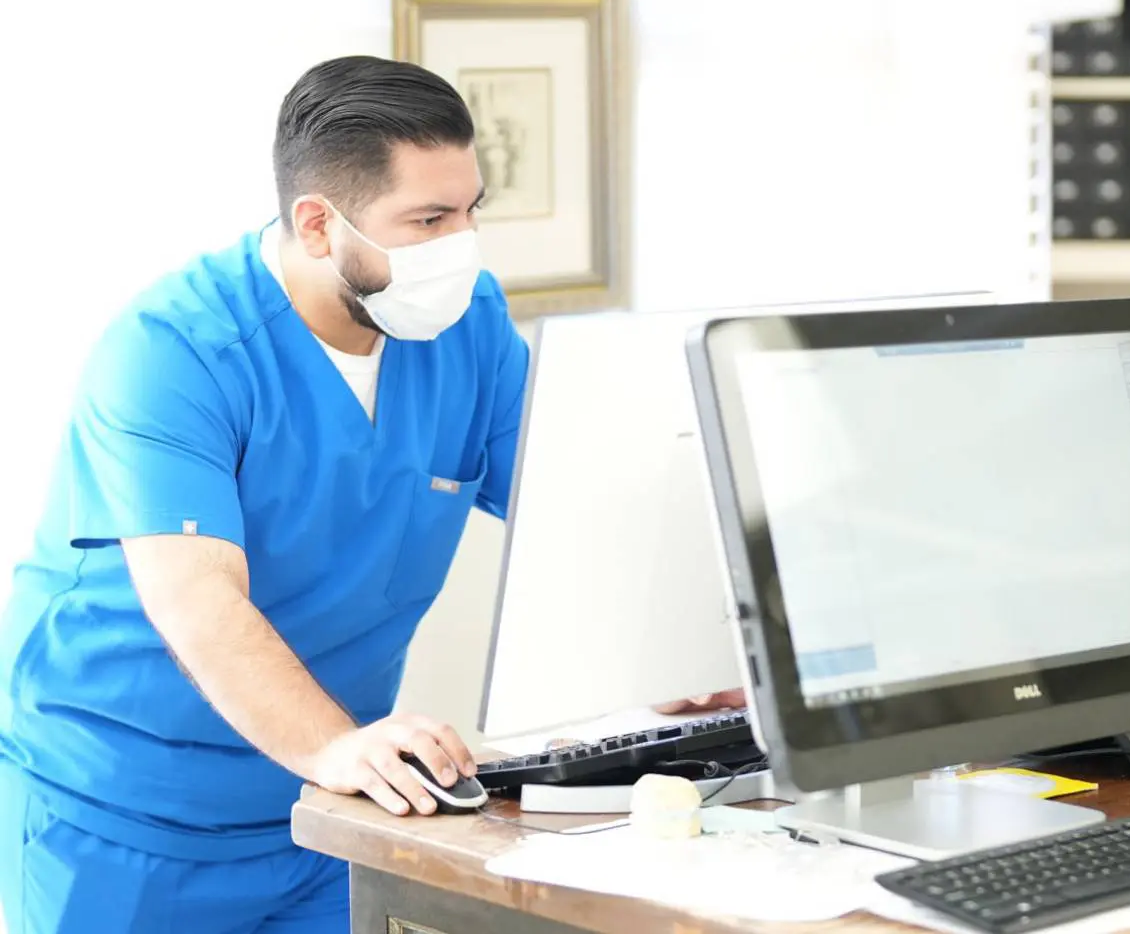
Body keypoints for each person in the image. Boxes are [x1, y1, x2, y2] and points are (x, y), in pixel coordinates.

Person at [0, 56, 742, 934]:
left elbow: (577, 511)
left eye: (470, 212)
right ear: (318, 224)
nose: (460, 245)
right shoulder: (172, 350)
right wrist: (330, 744)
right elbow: (198, 600)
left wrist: (696, 657)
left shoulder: (465, 320)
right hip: (123, 819)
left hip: (331, 812)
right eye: (428, 218)